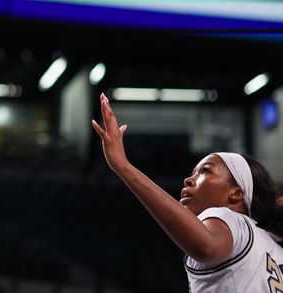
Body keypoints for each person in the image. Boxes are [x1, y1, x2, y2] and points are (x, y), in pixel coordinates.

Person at [92, 93, 283, 292]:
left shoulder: (230, 218)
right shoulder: (273, 247)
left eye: (205, 171)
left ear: (235, 194)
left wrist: (123, 166)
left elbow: (206, 246)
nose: (188, 179)